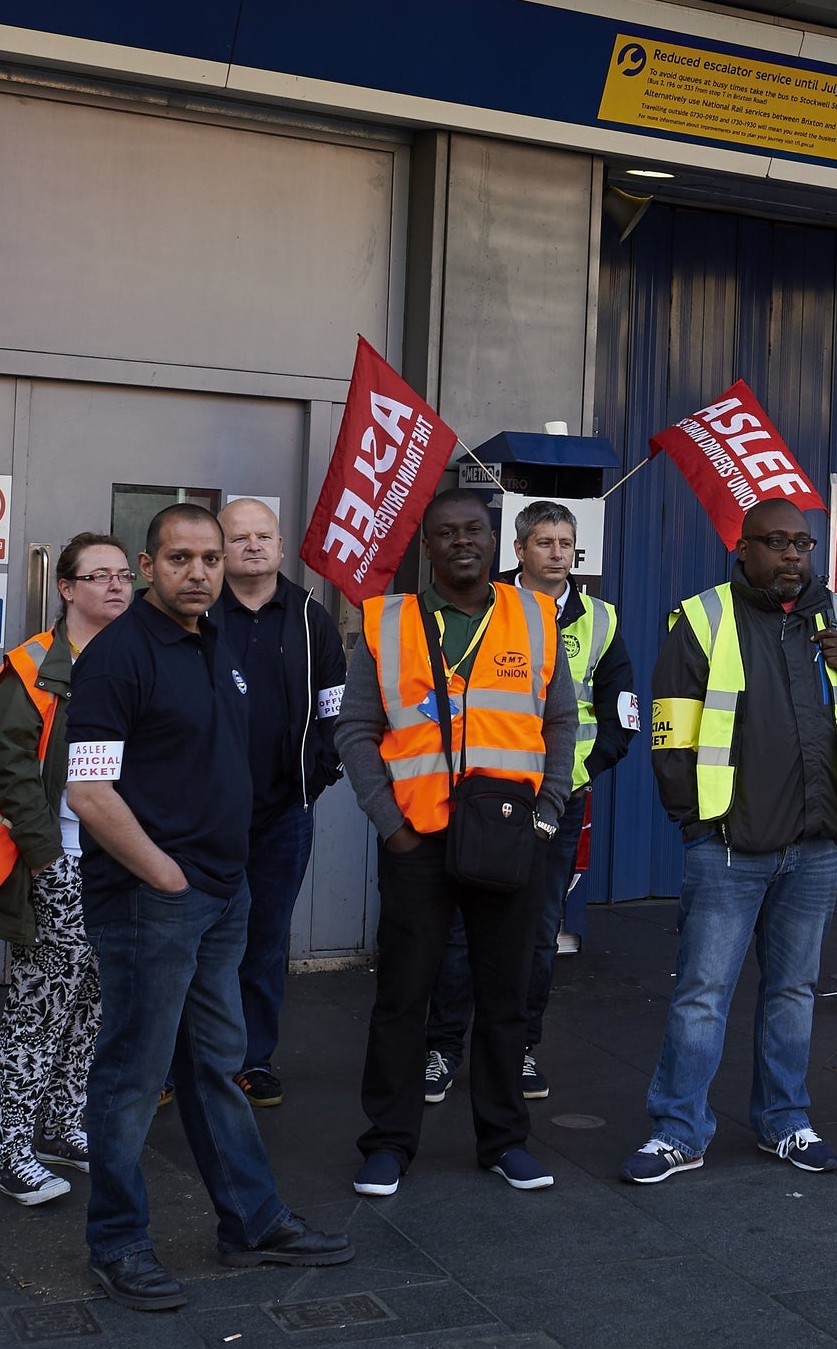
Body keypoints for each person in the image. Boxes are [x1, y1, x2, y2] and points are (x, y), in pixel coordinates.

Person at [65, 502, 351, 1312]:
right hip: (154, 900)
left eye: (210, 559)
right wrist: (162, 873)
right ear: (149, 566)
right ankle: (117, 1243)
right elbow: (87, 788)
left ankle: (250, 1220)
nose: (198, 572)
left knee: (214, 1065)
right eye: (179, 558)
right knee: (131, 1076)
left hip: (221, 893)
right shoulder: (118, 657)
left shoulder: (216, 641)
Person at [622, 497, 837, 1184]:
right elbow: (671, 732)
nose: (793, 555)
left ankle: (784, 1120)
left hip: (816, 842)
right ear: (744, 549)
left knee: (794, 990)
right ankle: (679, 1130)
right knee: (702, 992)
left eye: (802, 542)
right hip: (730, 848)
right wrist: (698, 823)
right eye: (777, 542)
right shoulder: (703, 616)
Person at [336, 488, 577, 1198]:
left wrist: (547, 813)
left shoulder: (533, 616)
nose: (461, 541)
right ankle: (387, 1143)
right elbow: (354, 728)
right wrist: (391, 825)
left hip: (511, 839)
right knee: (403, 998)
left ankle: (504, 1141)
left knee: (505, 996)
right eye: (446, 533)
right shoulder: (387, 621)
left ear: (495, 541)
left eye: (474, 529)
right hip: (419, 842)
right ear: (427, 546)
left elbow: (560, 721)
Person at [422, 498, 637, 1105]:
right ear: (518, 550)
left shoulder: (602, 620)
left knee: (539, 934)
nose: (558, 553)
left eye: (566, 544)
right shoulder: (489, 607)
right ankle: (442, 1049)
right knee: (463, 928)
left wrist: (575, 775)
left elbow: (622, 714)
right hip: (485, 796)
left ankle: (519, 1050)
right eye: (544, 542)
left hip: (558, 803)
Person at [0, 533, 132, 1206]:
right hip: (58, 863)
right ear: (66, 588)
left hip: (117, 865)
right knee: (40, 1010)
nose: (116, 587)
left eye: (123, 575)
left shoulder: (135, 659)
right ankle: (13, 1148)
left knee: (92, 1004)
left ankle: (61, 1126)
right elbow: (11, 774)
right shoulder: (27, 669)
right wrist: (51, 862)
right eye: (99, 576)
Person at [216, 498, 347, 1108]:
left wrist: (316, 775)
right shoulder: (196, 609)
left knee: (265, 940)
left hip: (282, 814)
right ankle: (175, 1061)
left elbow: (335, 708)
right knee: (189, 941)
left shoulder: (308, 618)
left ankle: (253, 1060)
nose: (252, 546)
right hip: (199, 817)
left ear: (279, 541)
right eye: (239, 536)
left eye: (262, 535)